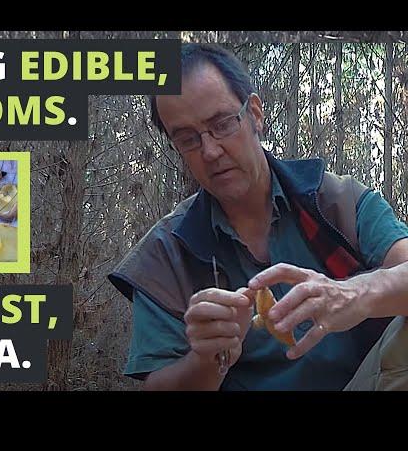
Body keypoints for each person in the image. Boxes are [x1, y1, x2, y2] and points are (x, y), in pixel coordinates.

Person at [108, 43, 408, 391]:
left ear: (254, 113)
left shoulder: (336, 201)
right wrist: (209, 358)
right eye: (188, 139)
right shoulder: (165, 254)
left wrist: (354, 294)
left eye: (221, 124)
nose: (210, 151)